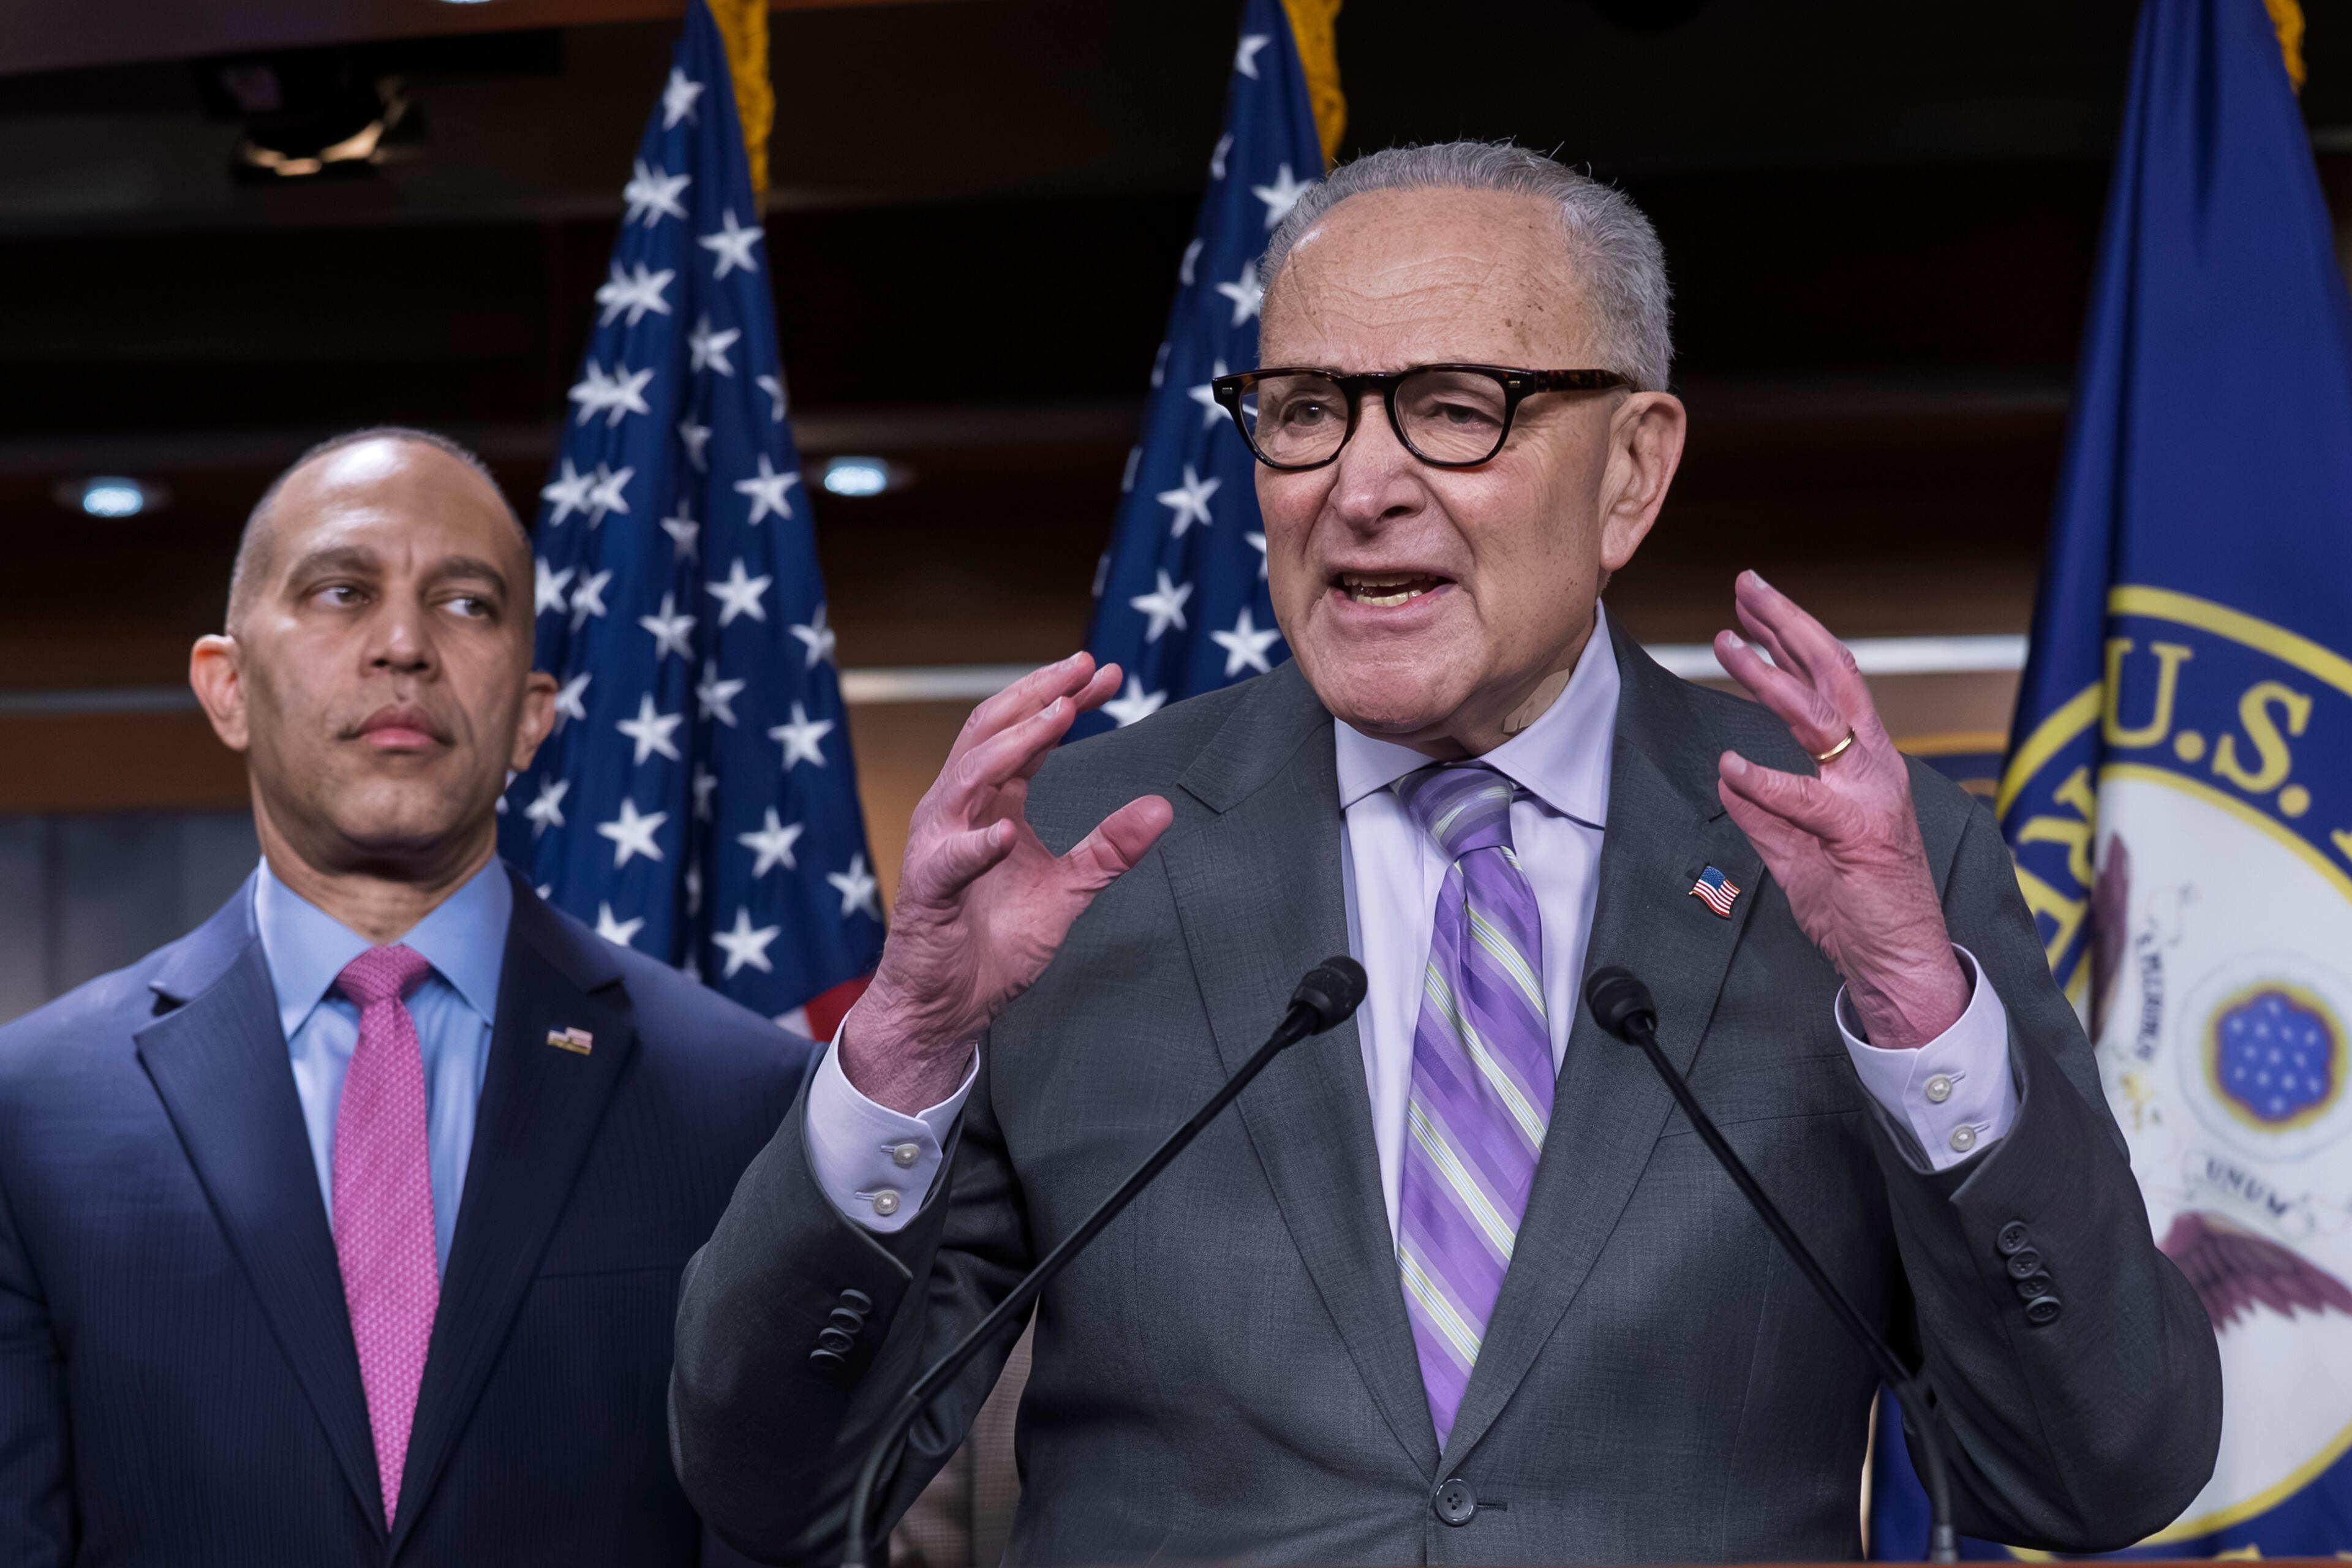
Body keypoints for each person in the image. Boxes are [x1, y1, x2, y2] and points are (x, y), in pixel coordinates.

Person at [671, 143, 2221, 1564]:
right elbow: (783, 1486)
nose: (1360, 483)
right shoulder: (1075, 852)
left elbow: (2094, 1477)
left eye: (1457, 405)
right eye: (1303, 410)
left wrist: (1918, 1019)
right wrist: (904, 1049)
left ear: (1632, 470)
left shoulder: (1868, 870)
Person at [0, 429, 808, 1566]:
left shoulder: (743, 1093)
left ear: (532, 715)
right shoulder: (28, 1112)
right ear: (227, 688)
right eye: (342, 592)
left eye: (467, 605)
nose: (403, 646)